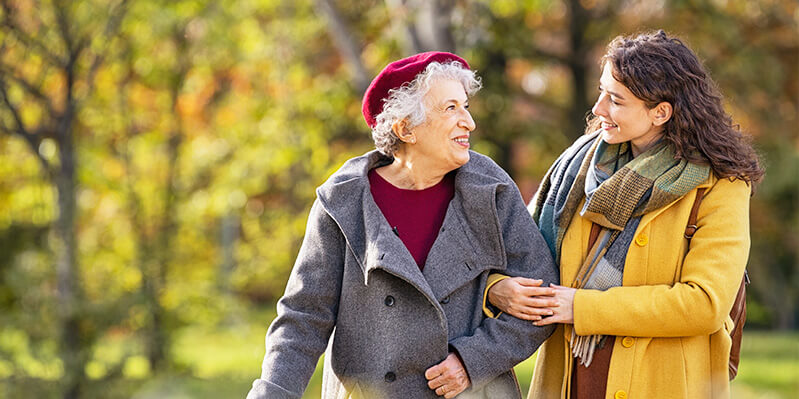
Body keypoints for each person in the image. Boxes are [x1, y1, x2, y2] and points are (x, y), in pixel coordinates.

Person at [246, 51, 558, 399]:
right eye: (450, 108)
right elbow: (303, 318)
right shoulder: (343, 202)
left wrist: (473, 360)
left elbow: (541, 296)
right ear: (405, 128)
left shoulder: (490, 189)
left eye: (465, 106)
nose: (468, 122)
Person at [484, 30, 763, 398]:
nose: (598, 109)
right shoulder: (577, 169)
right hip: (569, 379)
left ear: (660, 112)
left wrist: (583, 307)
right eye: (602, 92)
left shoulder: (719, 185)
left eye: (615, 100)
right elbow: (514, 253)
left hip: (662, 384)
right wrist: (496, 289)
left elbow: (704, 304)